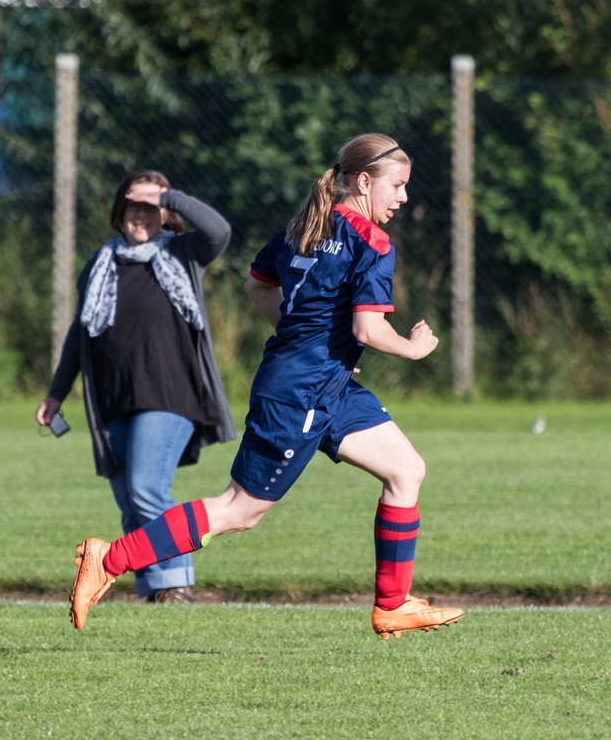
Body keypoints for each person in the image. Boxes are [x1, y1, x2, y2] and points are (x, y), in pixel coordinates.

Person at [68, 133, 465, 639]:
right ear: (365, 182)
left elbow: (257, 284)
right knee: (241, 509)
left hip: (326, 384)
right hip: (299, 394)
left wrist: (309, 339)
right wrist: (414, 347)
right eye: (398, 186)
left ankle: (392, 604)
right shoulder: (372, 242)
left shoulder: (304, 227)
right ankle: (111, 558)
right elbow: (368, 329)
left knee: (406, 470)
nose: (404, 198)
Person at [38, 169, 235, 605]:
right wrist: (56, 392)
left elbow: (220, 230)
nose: (141, 217)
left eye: (151, 209)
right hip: (111, 399)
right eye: (133, 207)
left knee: (147, 489)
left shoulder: (184, 253)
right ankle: (153, 590)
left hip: (170, 394)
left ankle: (176, 583)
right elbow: (79, 331)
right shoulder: (101, 261)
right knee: (130, 502)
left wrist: (171, 195)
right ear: (119, 211)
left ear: (165, 214)